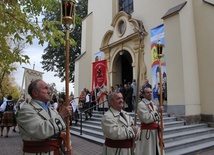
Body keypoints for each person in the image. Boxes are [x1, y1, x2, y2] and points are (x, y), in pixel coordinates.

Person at [16, 79, 73, 155]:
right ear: (35, 92)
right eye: (45, 88)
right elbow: (41, 131)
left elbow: (63, 130)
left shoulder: (52, 110)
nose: (49, 91)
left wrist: (66, 145)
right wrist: (61, 116)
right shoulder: (25, 110)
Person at [135, 87, 165, 155]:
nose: (150, 94)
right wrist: (157, 112)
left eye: (151, 92)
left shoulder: (153, 104)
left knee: (157, 151)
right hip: (147, 133)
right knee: (148, 151)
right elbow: (146, 118)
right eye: (147, 92)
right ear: (143, 94)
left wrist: (161, 124)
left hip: (155, 133)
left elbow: (159, 118)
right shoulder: (141, 105)